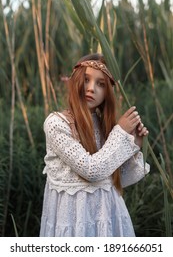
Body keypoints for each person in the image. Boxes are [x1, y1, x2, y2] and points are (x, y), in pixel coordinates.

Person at [39, 53, 150, 237]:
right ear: (75, 81)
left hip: (107, 219)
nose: (91, 89)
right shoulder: (57, 124)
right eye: (86, 79)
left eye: (101, 84)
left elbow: (117, 180)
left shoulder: (104, 125)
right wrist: (121, 133)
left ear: (108, 92)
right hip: (75, 223)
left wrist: (134, 144)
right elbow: (92, 171)